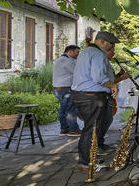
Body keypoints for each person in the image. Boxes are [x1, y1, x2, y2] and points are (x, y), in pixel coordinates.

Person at [71, 31, 121, 172]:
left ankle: (88, 158)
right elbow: (99, 77)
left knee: (90, 129)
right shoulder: (98, 54)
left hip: (82, 95)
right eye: (112, 44)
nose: (113, 48)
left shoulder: (87, 52)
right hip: (91, 97)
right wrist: (112, 85)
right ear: (103, 41)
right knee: (91, 130)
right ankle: (86, 163)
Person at [98, 46, 130, 148]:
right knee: (105, 120)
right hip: (101, 95)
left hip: (107, 95)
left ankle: (100, 141)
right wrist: (122, 78)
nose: (114, 53)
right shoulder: (101, 63)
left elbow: (112, 78)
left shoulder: (107, 64)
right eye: (112, 51)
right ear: (105, 53)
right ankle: (98, 143)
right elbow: (106, 81)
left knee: (108, 119)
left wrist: (120, 73)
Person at [53, 45, 81, 136]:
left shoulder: (62, 59)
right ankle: (73, 130)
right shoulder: (67, 60)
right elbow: (78, 72)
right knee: (71, 109)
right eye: (77, 52)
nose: (78, 54)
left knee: (64, 109)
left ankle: (64, 129)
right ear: (70, 52)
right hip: (65, 89)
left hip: (60, 88)